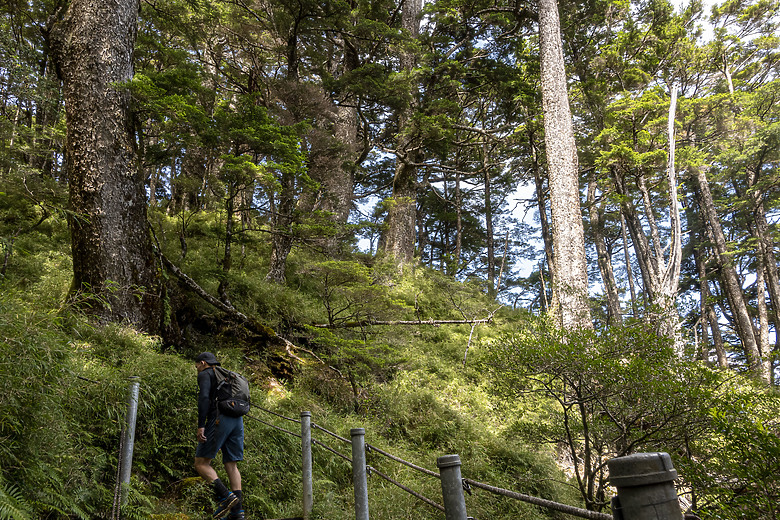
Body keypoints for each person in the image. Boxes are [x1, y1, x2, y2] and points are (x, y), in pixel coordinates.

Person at [194, 351, 245, 519]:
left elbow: (204, 398)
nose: (196, 369)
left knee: (201, 463)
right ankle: (238, 512)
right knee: (231, 464)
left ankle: (226, 497)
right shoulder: (225, 376)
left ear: (202, 363)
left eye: (197, 366)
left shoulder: (206, 374)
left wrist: (201, 425)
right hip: (237, 420)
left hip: (219, 419)